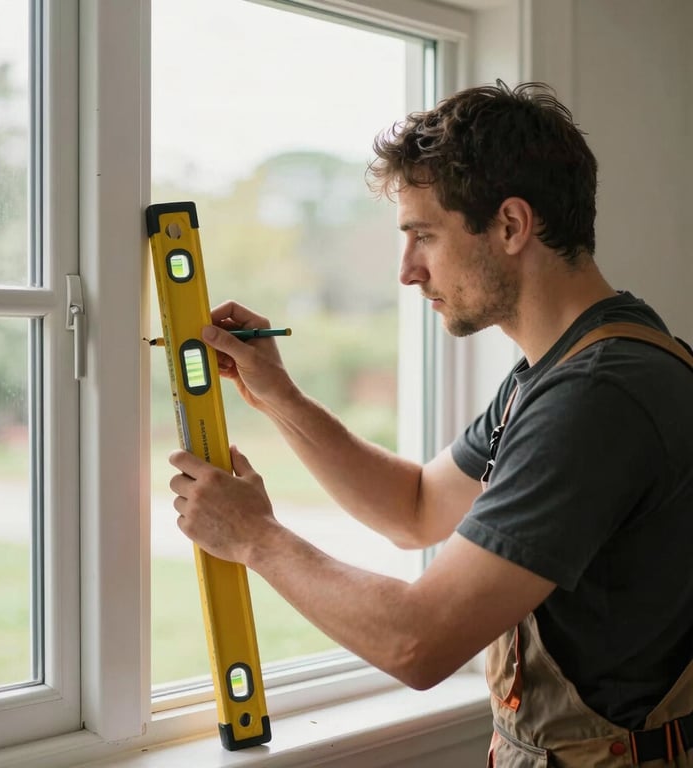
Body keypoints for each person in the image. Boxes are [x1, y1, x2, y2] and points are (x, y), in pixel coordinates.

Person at [167, 81, 693, 766]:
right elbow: (414, 507)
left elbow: (416, 643)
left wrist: (256, 539)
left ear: (510, 226)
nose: (407, 271)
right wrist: (280, 397)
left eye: (423, 235)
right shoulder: (563, 368)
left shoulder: (597, 398)